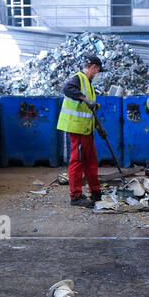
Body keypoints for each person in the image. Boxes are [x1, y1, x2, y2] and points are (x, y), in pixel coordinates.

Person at [57, 55, 104, 206]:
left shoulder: (88, 83)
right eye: (98, 71)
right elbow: (67, 88)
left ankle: (95, 191)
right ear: (94, 67)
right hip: (77, 128)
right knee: (77, 161)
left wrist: (97, 125)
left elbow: (88, 108)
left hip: (86, 129)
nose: (97, 74)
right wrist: (85, 99)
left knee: (91, 160)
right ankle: (75, 196)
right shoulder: (78, 78)